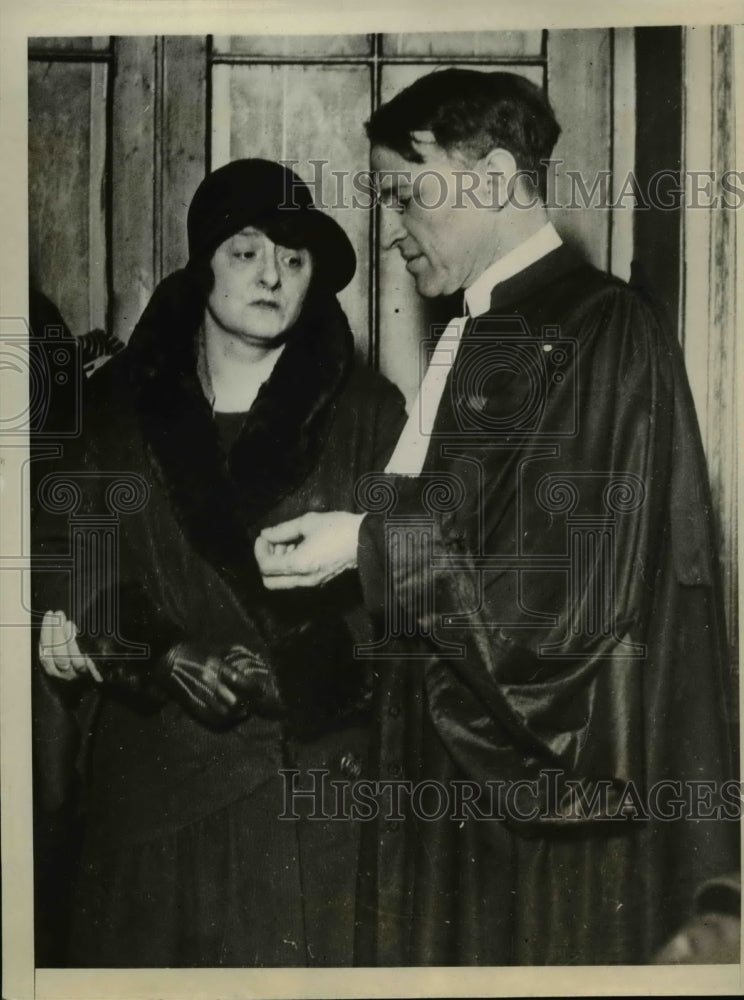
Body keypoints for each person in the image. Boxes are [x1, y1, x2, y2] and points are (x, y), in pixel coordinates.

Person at [254, 70, 739, 964]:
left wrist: (362, 543)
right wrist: (346, 537)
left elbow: (561, 608)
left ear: (491, 175)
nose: (392, 231)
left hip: (528, 801)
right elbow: (459, 532)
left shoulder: (605, 330)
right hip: (442, 772)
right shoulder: (475, 333)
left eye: (405, 193)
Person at [34, 158, 406, 967]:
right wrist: (162, 652)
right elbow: (75, 563)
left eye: (296, 257)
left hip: (310, 795)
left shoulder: (369, 416)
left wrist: (301, 672)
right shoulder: (116, 411)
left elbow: (405, 600)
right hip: (152, 786)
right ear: (202, 262)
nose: (273, 274)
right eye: (245, 252)